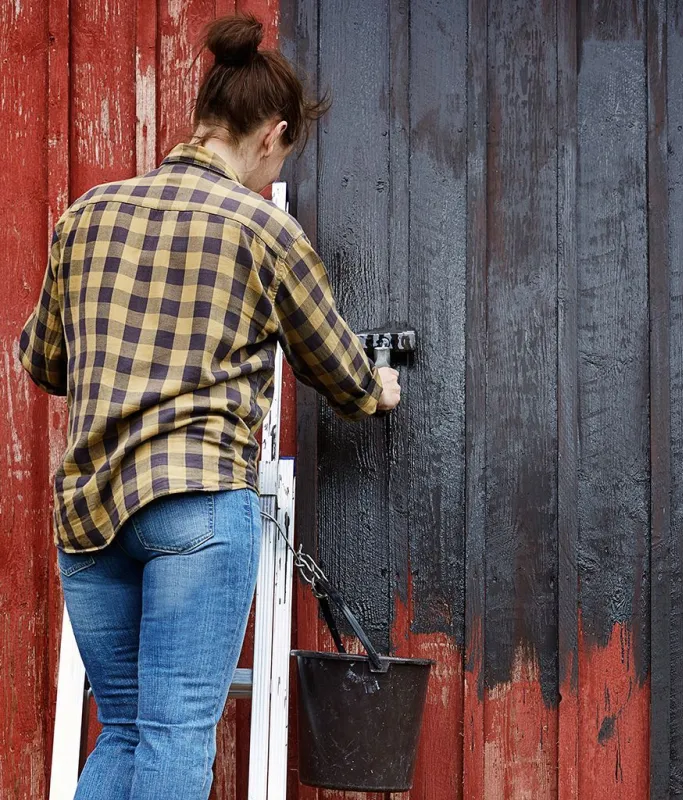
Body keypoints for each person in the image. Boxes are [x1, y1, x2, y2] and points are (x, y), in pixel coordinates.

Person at [17, 13, 400, 800]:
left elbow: (43, 361)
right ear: (274, 135)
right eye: (282, 156)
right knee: (173, 738)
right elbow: (341, 374)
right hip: (193, 504)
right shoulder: (264, 228)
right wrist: (381, 385)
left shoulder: (84, 217)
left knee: (122, 731)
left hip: (90, 520)